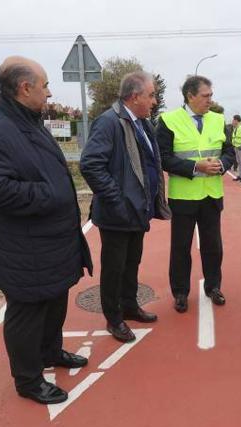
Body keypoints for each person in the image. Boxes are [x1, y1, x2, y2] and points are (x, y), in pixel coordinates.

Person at [0, 56, 93, 404]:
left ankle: (50, 352)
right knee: (27, 313)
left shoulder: (29, 121)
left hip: (51, 240)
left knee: (54, 302)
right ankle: (27, 379)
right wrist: (48, 194)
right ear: (25, 88)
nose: (49, 93)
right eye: (45, 86)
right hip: (24, 248)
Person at [80, 71, 170, 343]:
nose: (154, 101)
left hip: (137, 211)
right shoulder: (108, 123)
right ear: (134, 96)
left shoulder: (142, 123)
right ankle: (114, 318)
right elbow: (91, 165)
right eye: (151, 95)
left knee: (132, 263)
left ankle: (130, 306)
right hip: (117, 214)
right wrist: (117, 200)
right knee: (114, 268)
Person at [156, 75, 235, 313]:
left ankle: (214, 287)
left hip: (211, 195)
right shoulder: (168, 120)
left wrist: (222, 164)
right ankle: (180, 292)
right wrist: (195, 167)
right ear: (190, 96)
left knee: (213, 246)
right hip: (183, 198)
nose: (210, 100)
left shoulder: (219, 119)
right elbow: (164, 158)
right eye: (205, 96)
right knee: (181, 248)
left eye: (211, 95)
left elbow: (228, 151)